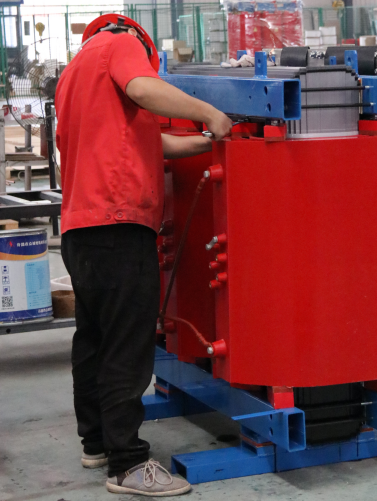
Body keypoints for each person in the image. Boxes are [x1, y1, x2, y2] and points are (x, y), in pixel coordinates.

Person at [55, 14, 232, 496]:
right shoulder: (120, 43)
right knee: (127, 346)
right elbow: (142, 88)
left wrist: (207, 141)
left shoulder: (74, 72)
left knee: (94, 340)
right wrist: (210, 113)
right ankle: (128, 464)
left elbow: (149, 141)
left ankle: (96, 442)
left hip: (81, 230)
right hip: (119, 225)